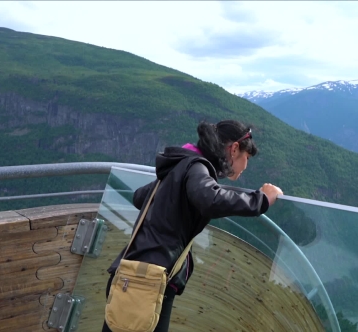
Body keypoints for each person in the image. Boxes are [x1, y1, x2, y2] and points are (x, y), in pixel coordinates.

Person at [102, 119, 283, 332]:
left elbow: (140, 197)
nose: (246, 166)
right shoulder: (197, 166)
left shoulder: (180, 166)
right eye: (247, 157)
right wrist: (261, 199)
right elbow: (210, 199)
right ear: (234, 149)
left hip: (130, 272)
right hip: (151, 281)